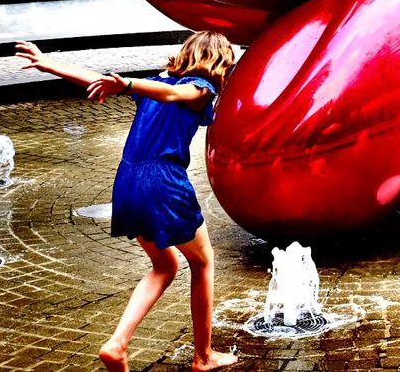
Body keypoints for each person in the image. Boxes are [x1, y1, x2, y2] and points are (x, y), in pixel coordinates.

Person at [14, 33, 239, 372]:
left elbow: (101, 81)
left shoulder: (156, 82)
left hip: (128, 182)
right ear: (218, 61)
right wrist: (127, 83)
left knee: (165, 266)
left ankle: (117, 345)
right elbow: (175, 94)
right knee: (203, 261)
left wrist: (49, 64)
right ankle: (204, 356)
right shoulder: (199, 88)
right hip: (163, 182)